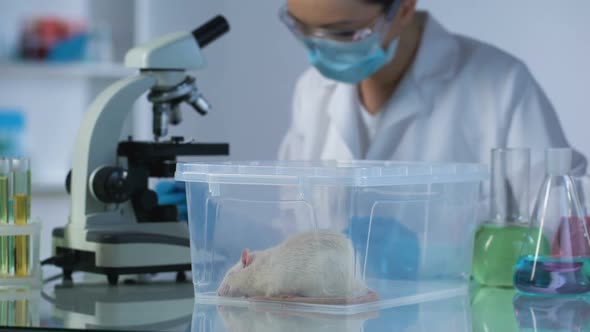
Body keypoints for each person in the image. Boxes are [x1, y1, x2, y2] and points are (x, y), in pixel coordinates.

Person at [159, 0, 586, 217]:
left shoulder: (501, 87)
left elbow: (570, 229)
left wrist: (444, 252)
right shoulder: (313, 91)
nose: (316, 51)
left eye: (342, 33)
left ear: (403, 8)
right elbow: (290, 221)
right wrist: (217, 215)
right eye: (301, 28)